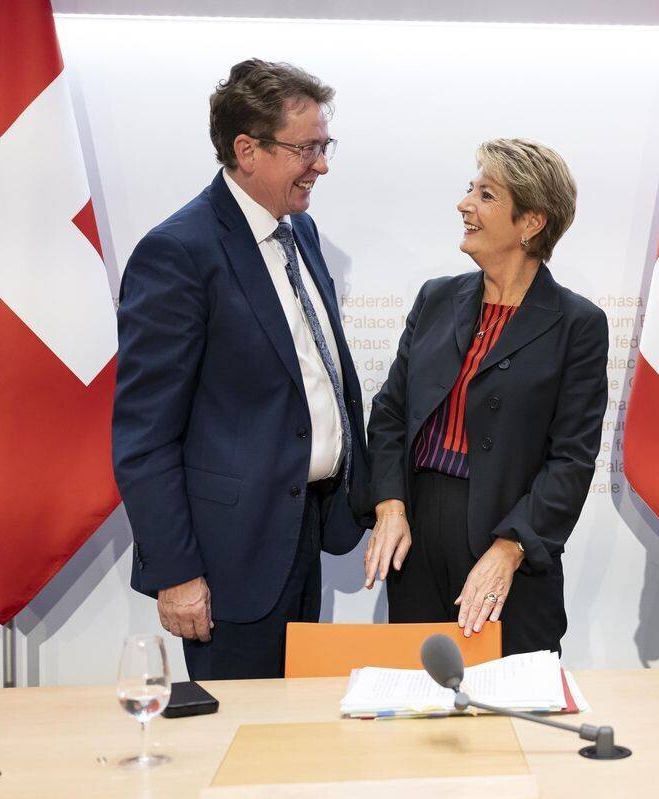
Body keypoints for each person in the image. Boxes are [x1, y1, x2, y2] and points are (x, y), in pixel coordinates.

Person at [112, 60, 371, 679]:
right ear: (246, 149)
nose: (323, 165)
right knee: (234, 748)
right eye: (307, 148)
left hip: (303, 534)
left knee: (293, 740)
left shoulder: (298, 231)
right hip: (229, 562)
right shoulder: (178, 252)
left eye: (325, 145)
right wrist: (175, 573)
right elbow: (144, 437)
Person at [363, 138, 608, 655]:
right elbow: (389, 413)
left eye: (487, 194)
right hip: (418, 533)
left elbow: (571, 460)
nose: (465, 204)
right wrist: (390, 505)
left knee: (511, 706)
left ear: (531, 223)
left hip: (508, 536)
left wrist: (513, 546)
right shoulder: (435, 297)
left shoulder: (578, 325)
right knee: (418, 699)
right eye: (470, 188)